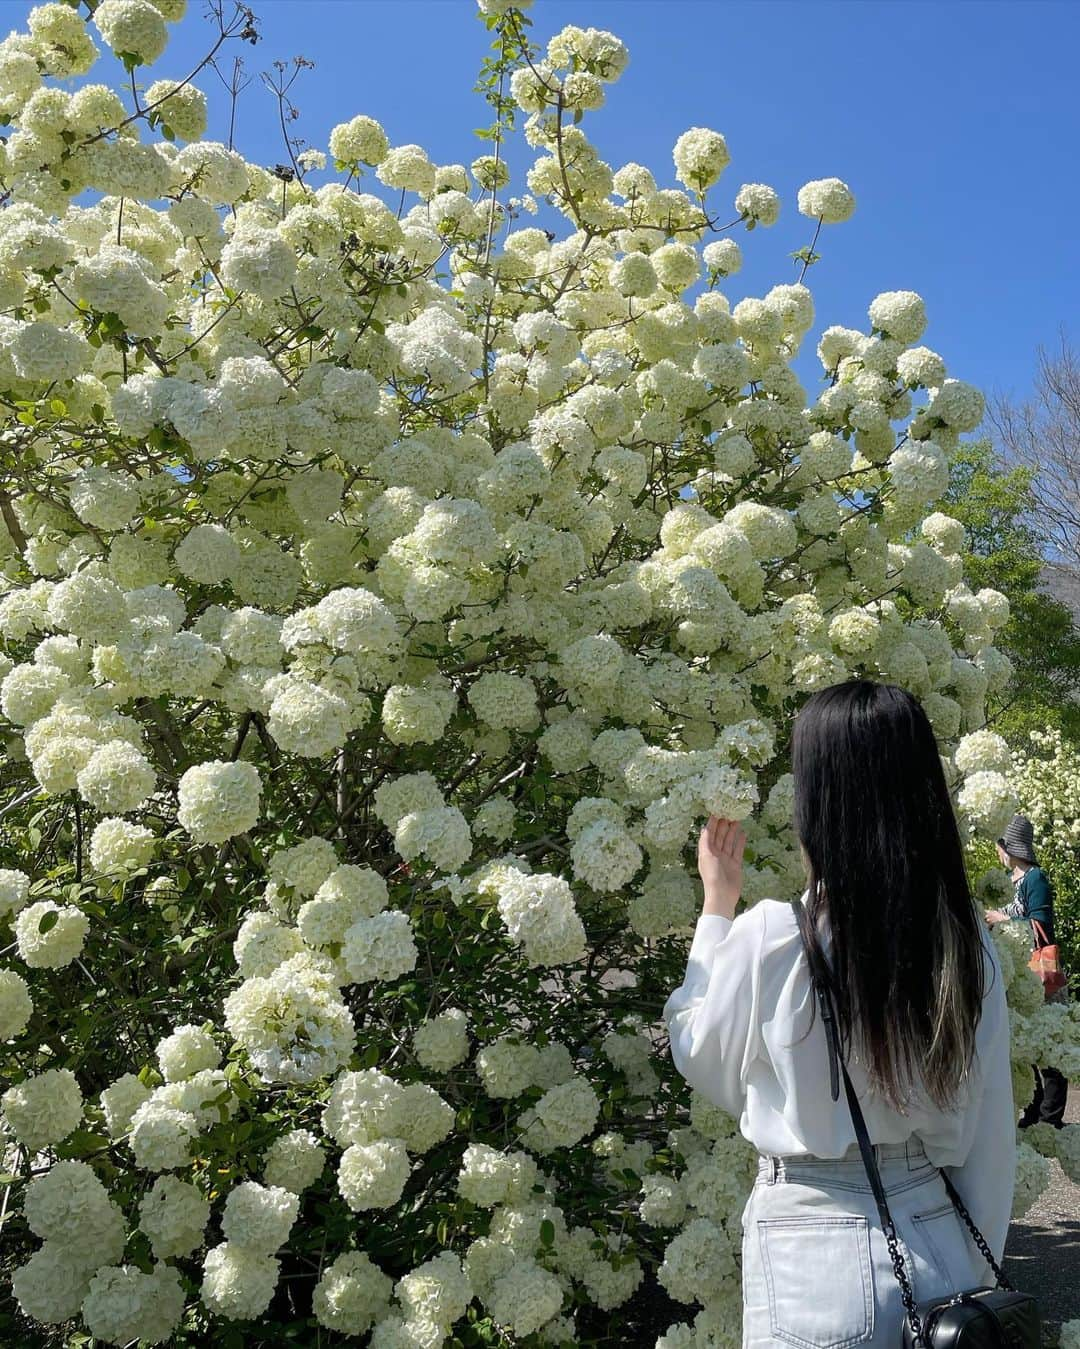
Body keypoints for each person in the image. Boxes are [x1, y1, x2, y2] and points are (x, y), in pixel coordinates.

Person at [664, 680, 1014, 1349]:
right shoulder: (963, 937)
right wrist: (974, 1272)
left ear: (819, 797)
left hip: (811, 1250)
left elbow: (700, 1053)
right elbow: (991, 1134)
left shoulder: (775, 933)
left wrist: (716, 906)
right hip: (940, 1235)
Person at [986, 812, 1069, 1128]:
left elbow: (1041, 926)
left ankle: (1050, 1119)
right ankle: (1033, 1112)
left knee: (1046, 1047)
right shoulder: (1011, 882)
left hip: (1040, 974)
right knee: (1025, 1047)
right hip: (1021, 975)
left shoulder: (1035, 879)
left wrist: (1002, 920)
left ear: (1009, 847)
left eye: (1000, 847)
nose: (998, 853)